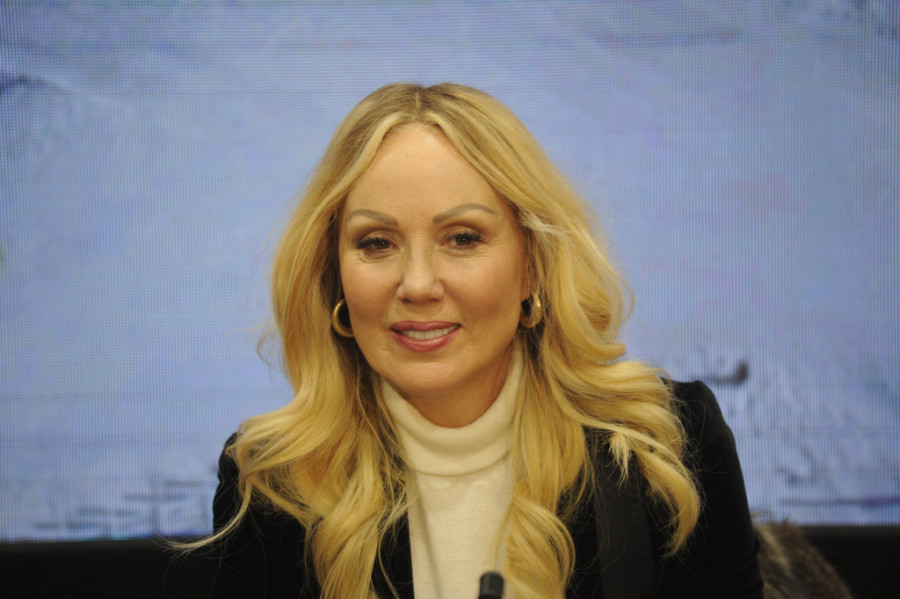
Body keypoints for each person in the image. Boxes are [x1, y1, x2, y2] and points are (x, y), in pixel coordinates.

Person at [206, 83, 763, 598]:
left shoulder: (668, 451)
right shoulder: (270, 485)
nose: (417, 284)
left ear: (533, 266)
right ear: (335, 277)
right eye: (376, 243)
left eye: (463, 238)